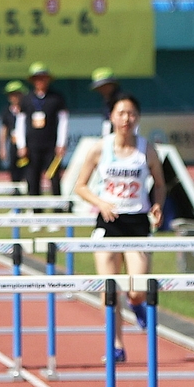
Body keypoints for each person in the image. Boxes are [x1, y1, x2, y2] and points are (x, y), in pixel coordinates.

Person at [73, 94, 166, 363]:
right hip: (109, 223)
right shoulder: (100, 148)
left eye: (132, 113)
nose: (127, 118)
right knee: (110, 290)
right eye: (121, 113)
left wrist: (157, 205)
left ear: (138, 117)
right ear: (112, 117)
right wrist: (101, 202)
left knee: (137, 289)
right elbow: (80, 186)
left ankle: (136, 306)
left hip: (137, 221)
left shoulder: (146, 149)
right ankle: (115, 344)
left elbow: (160, 184)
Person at [14, 62, 68, 200]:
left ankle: (58, 212)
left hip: (51, 145)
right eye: (37, 78)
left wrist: (61, 143)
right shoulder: (26, 99)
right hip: (32, 146)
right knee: (32, 178)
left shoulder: (56, 98)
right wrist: (21, 145)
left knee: (54, 177)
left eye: (43, 78)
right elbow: (20, 122)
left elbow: (63, 121)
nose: (40, 81)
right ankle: (35, 213)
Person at [0, 80, 26, 184]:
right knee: (14, 170)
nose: (14, 97)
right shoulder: (7, 111)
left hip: (28, 145)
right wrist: (2, 148)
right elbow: (4, 129)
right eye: (11, 95)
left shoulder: (28, 109)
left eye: (16, 94)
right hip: (14, 144)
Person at [90, 67, 122, 135]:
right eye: (99, 87)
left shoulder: (122, 101)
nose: (101, 89)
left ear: (113, 85)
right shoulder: (106, 101)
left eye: (104, 86)